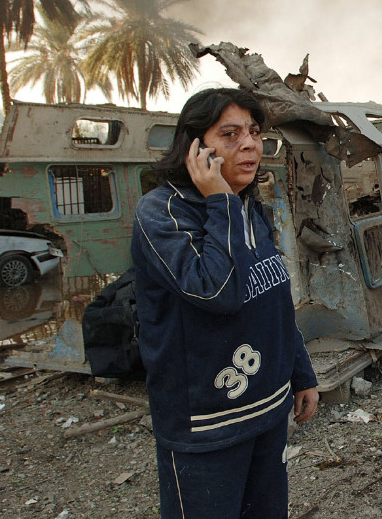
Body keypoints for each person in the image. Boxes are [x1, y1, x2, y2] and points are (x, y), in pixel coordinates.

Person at [131, 88, 319, 518]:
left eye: (254, 132)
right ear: (194, 146)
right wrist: (219, 200)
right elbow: (219, 293)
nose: (249, 143)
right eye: (230, 134)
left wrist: (300, 372)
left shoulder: (249, 208)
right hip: (207, 423)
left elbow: (274, 301)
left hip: (267, 410)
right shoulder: (162, 214)